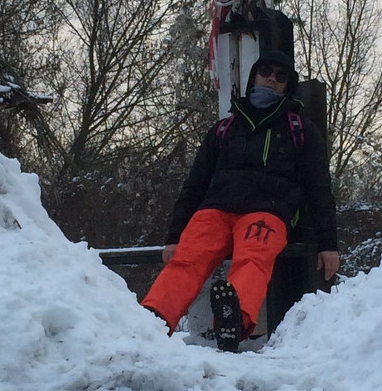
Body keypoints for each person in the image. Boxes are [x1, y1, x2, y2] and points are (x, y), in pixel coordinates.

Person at [141, 50, 339, 349]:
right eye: (266, 72)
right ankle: (154, 320)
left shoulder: (300, 131)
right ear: (253, 77)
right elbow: (194, 184)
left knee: (253, 257)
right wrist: (174, 235)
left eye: (280, 76)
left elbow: (319, 187)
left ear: (288, 85)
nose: (271, 79)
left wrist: (328, 244)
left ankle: (234, 320)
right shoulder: (225, 128)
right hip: (216, 209)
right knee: (188, 258)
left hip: (267, 212)